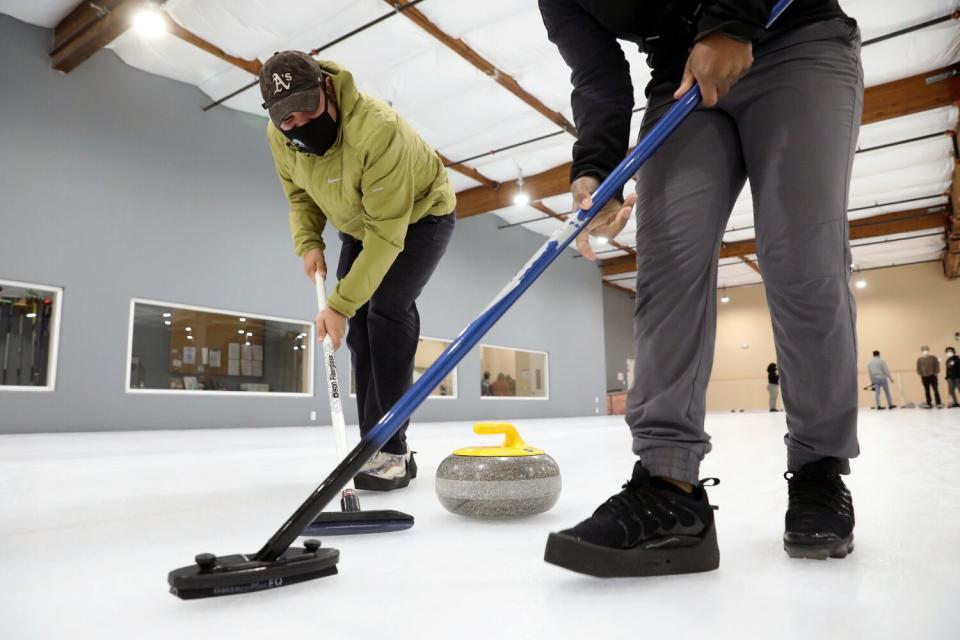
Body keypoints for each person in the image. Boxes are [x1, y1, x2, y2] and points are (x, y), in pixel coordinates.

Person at [540, 0, 861, 576]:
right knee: (666, 266)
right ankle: (668, 487)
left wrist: (733, 22)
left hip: (791, 34)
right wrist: (595, 169)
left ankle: (819, 469)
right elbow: (597, 75)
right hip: (680, 76)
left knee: (801, 259)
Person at [259, 52, 456, 490]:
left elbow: (387, 236)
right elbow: (298, 195)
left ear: (328, 89)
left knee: (386, 309)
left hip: (420, 218)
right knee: (362, 330)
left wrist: (340, 304)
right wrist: (309, 243)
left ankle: (392, 452)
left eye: (307, 110)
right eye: (286, 120)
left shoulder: (377, 129)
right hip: (358, 224)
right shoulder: (278, 136)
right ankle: (375, 443)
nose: (298, 124)